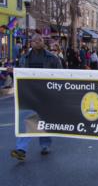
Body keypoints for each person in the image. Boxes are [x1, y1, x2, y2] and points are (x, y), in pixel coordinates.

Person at [11, 33, 62, 161]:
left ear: (43, 42)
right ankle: (21, 149)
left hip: (46, 95)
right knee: (30, 120)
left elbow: (62, 75)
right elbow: (18, 75)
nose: (37, 42)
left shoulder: (52, 58)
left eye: (40, 40)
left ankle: (44, 145)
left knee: (41, 120)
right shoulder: (24, 58)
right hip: (30, 95)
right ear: (31, 43)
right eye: (35, 40)